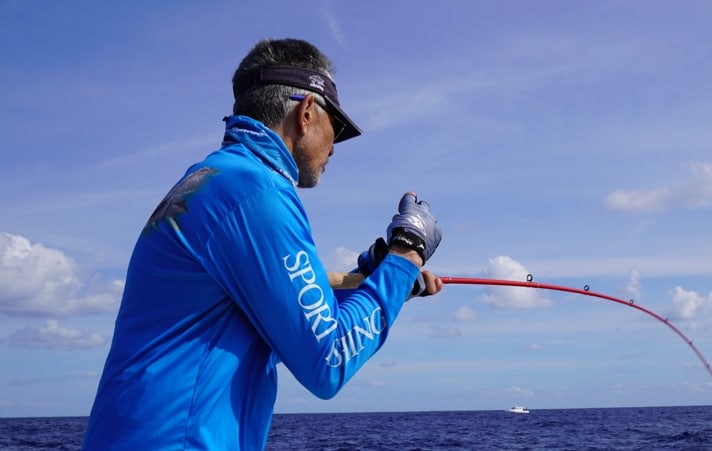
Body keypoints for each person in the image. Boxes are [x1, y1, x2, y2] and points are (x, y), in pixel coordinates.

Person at [82, 38, 443, 450]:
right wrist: (407, 249)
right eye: (337, 128)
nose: (334, 147)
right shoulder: (256, 192)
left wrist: (384, 285)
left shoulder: (215, 181)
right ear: (307, 112)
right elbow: (329, 360)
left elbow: (300, 322)